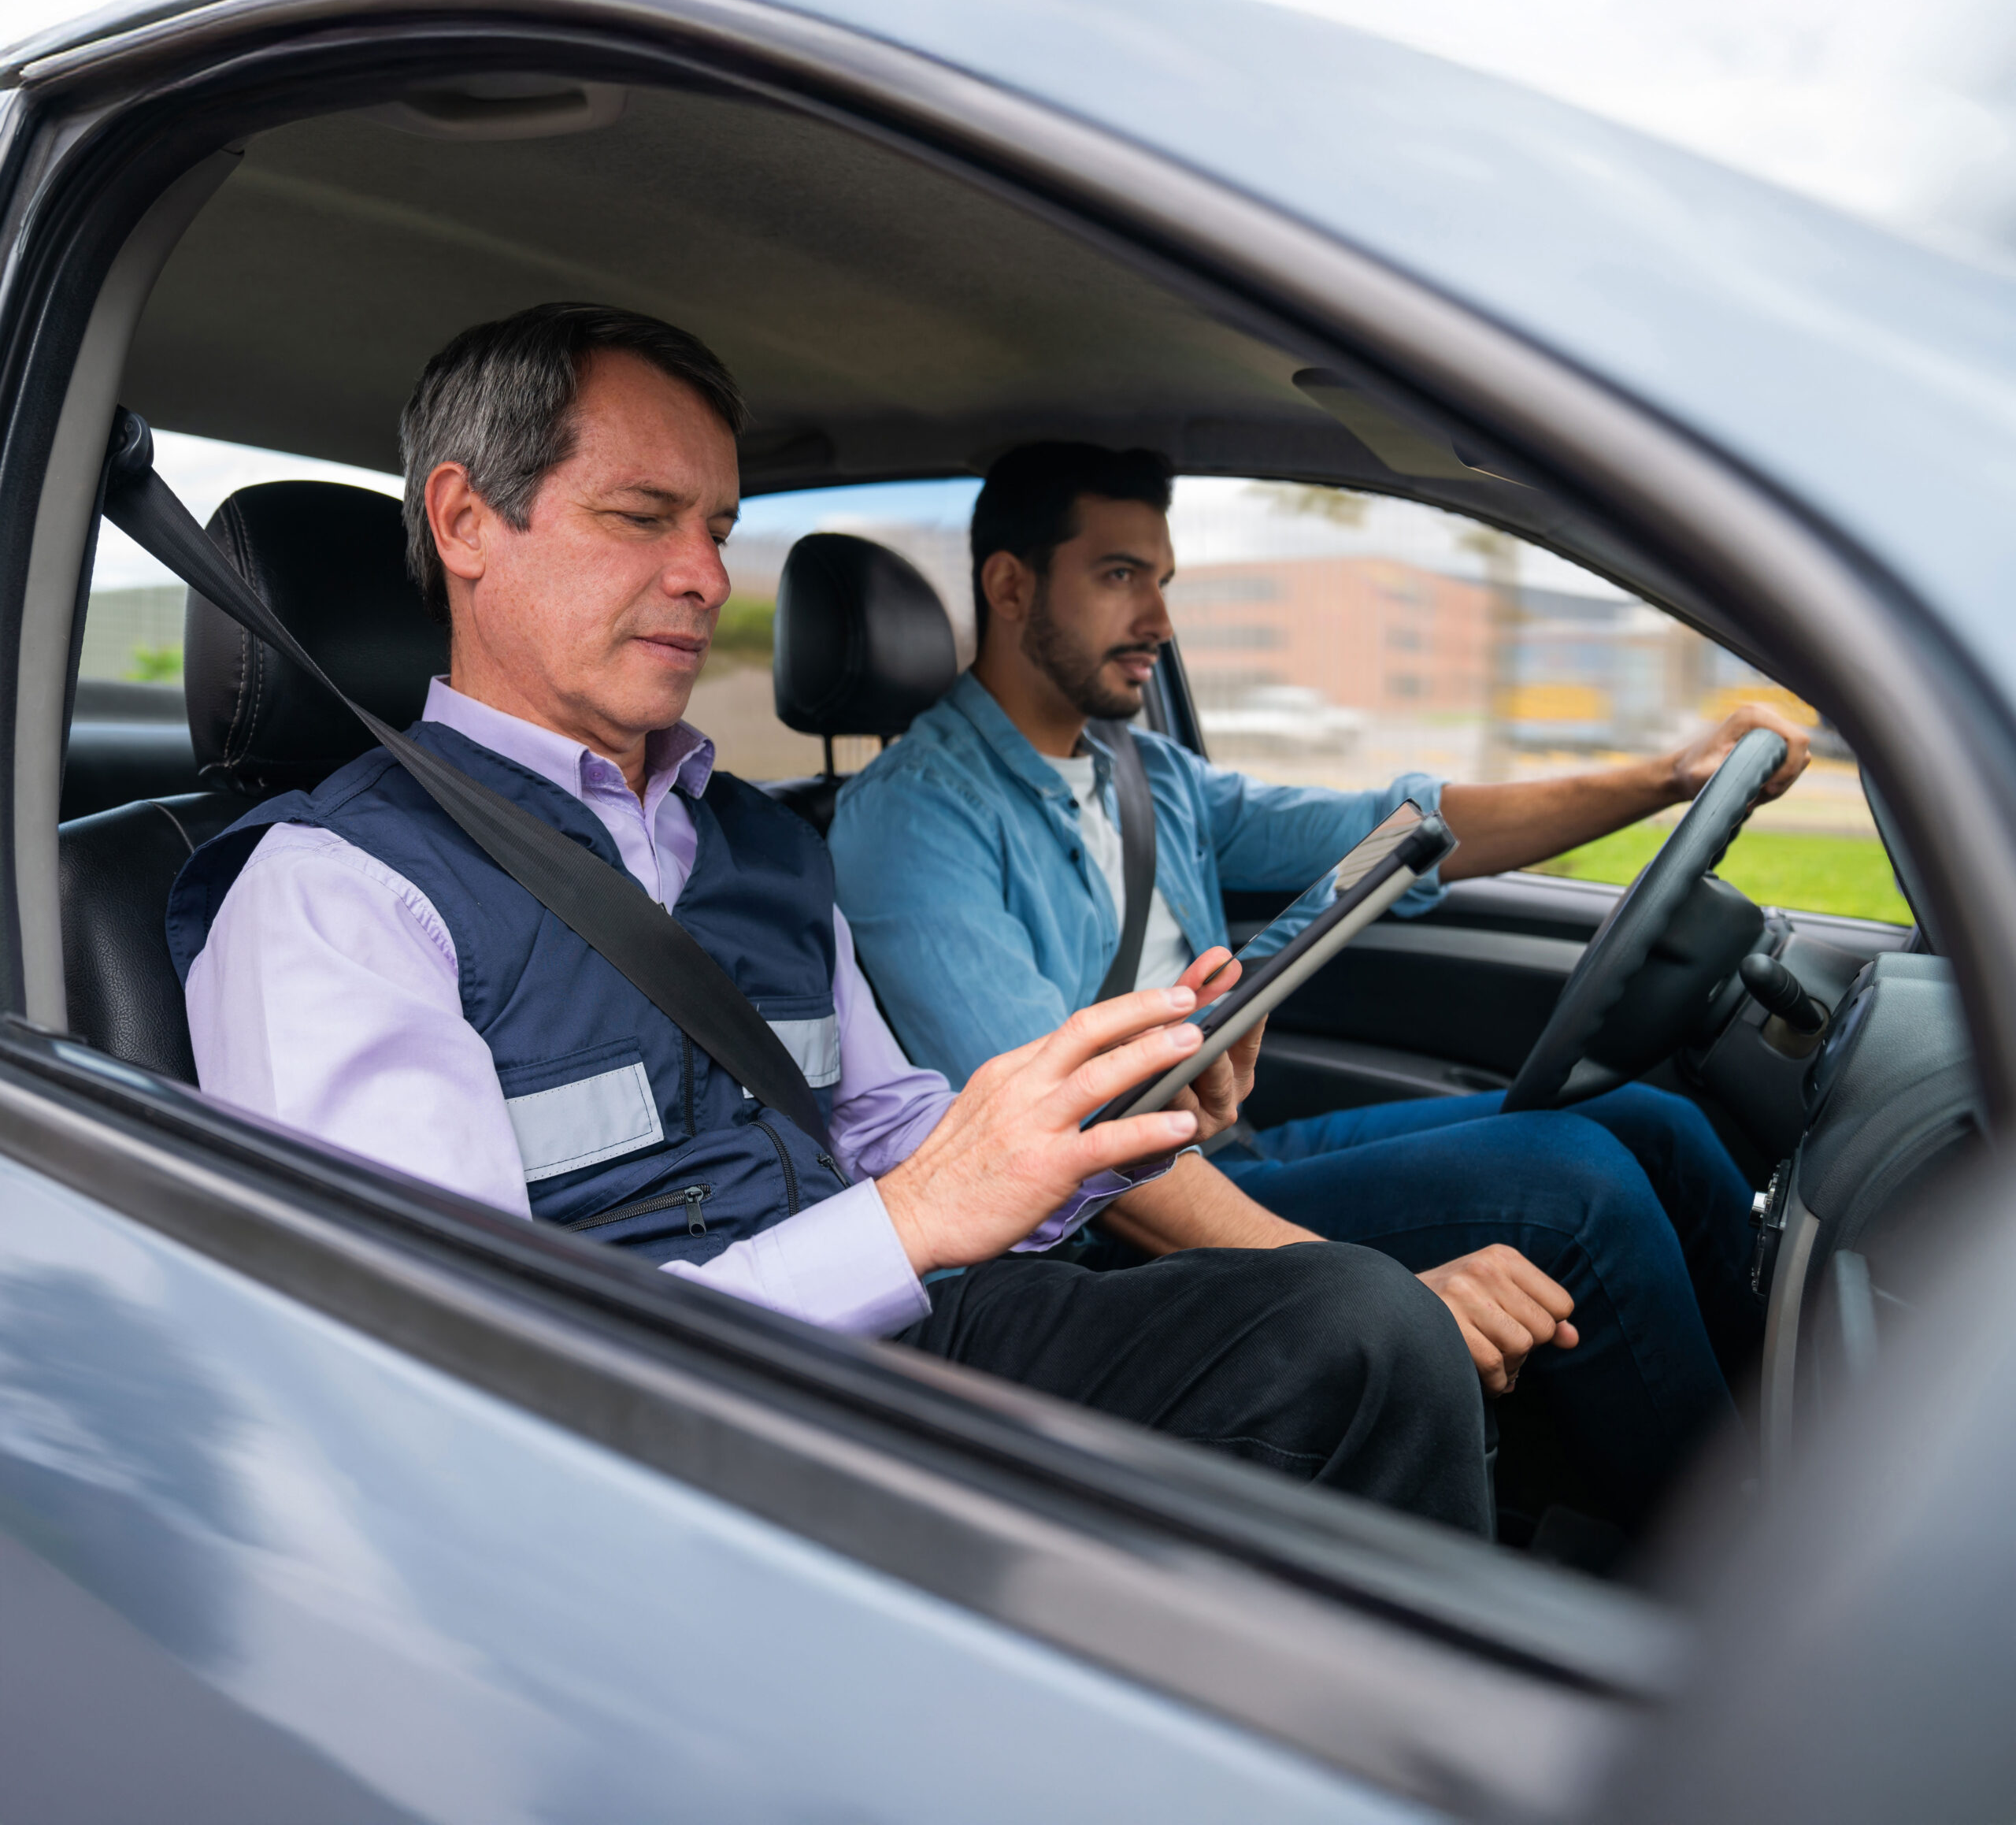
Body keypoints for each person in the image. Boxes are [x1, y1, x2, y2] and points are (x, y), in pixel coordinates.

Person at [170, 306, 1493, 1536]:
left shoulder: (759, 844)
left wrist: (1110, 1133)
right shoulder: (335, 892)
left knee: (1356, 1330)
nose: (704, 574)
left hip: (896, 1352)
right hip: (651, 1467)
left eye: (718, 527)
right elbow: (447, 1372)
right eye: (644, 517)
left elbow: (881, 1133)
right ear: (465, 521)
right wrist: (910, 1222)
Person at [828, 443, 1813, 1523]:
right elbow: (1061, 1152)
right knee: (1576, 1184)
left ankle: (1819, 1438)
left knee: (1650, 1123)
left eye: (1163, 579)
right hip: (1108, 1224)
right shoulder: (913, 817)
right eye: (1120, 576)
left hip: (1222, 1147)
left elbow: (1399, 833)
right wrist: (1385, 1294)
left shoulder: (1146, 771)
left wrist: (1665, 778)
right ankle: (1732, 1551)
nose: (1158, 615)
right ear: (1011, 586)